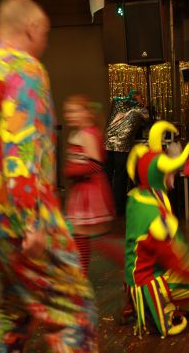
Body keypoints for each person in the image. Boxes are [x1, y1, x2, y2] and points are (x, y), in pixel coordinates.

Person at [0, 0, 97, 351]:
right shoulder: (25, 69)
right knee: (75, 312)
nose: (46, 42)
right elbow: (19, 146)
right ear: (32, 27)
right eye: (46, 33)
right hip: (19, 217)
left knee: (13, 314)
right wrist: (30, 221)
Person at [123, 121, 189, 337]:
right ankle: (162, 305)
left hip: (140, 277)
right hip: (151, 283)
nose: (174, 176)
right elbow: (182, 264)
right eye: (171, 172)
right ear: (161, 176)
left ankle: (171, 301)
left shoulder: (140, 197)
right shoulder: (156, 219)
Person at [64, 94, 115, 275]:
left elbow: (96, 165)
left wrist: (73, 171)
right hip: (81, 190)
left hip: (90, 191)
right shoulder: (77, 133)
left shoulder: (88, 134)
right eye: (68, 111)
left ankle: (82, 274)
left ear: (86, 113)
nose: (69, 115)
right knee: (80, 235)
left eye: (74, 111)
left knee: (83, 234)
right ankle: (81, 274)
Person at [105, 89, 149, 216]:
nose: (142, 100)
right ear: (138, 97)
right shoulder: (140, 109)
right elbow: (148, 120)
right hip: (122, 146)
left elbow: (117, 99)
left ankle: (105, 207)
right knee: (120, 178)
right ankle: (118, 208)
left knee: (107, 177)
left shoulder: (116, 102)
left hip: (107, 144)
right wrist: (142, 105)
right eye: (141, 97)